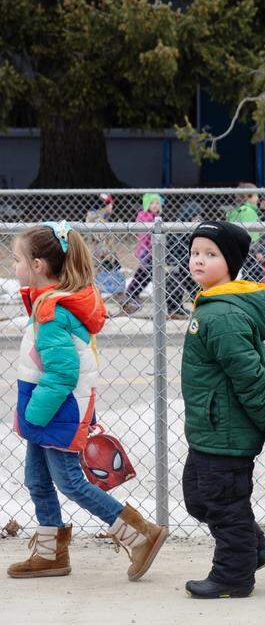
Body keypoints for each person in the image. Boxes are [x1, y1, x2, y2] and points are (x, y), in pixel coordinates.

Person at [8, 223, 167, 581]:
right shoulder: (49, 304)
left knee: (69, 481)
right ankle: (51, 554)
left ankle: (140, 535)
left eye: (16, 259)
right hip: (50, 409)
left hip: (55, 411)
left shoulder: (52, 312)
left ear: (38, 265)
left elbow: (62, 373)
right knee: (36, 478)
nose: (12, 266)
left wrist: (34, 414)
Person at [180, 220, 265, 598]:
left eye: (211, 255)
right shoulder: (211, 305)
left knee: (224, 504)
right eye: (195, 252)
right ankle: (251, 549)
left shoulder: (222, 314)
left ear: (230, 263)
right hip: (211, 429)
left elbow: (250, 374)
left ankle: (232, 577)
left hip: (227, 432)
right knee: (199, 497)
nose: (199, 260)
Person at [120, 193, 162, 314]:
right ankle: (130, 293)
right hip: (146, 250)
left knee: (146, 274)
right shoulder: (145, 216)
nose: (155, 205)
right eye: (152, 203)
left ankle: (132, 294)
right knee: (144, 273)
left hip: (153, 251)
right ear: (147, 205)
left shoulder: (156, 217)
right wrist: (144, 253)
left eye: (157, 203)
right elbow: (143, 236)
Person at [164, 200, 203, 320]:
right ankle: (174, 309)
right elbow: (173, 248)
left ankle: (200, 306)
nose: (199, 219)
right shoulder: (178, 228)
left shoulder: (194, 229)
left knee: (193, 285)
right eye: (196, 216)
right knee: (176, 281)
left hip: (188, 264)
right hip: (176, 264)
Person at [85, 193, 125, 299]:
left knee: (112, 276)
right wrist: (107, 253)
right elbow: (100, 239)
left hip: (104, 255)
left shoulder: (102, 218)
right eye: (109, 204)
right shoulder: (97, 220)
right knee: (97, 278)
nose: (111, 207)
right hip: (100, 255)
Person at [226, 184, 265, 283]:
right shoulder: (249, 211)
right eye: (255, 195)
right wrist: (257, 251)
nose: (257, 198)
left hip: (238, 248)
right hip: (250, 251)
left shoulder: (235, 211)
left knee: (248, 274)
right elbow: (251, 235)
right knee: (255, 275)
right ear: (248, 197)